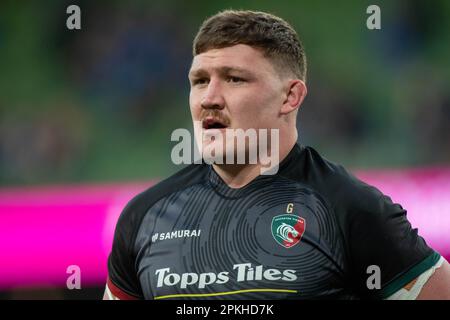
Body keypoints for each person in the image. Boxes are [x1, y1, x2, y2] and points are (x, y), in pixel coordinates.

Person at [104, 10, 450, 300]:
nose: (209, 97)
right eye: (199, 80)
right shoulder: (144, 217)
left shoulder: (351, 209)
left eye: (234, 79)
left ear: (290, 97)